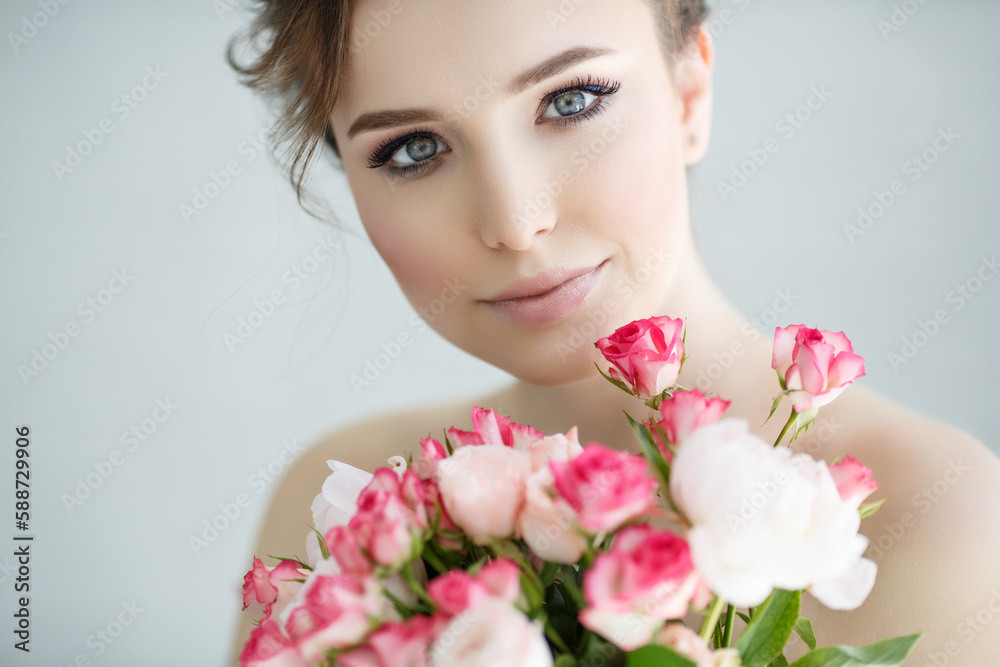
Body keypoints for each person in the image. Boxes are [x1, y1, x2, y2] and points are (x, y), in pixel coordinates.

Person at [228, 0, 1000, 662]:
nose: (516, 221)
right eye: (413, 149)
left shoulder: (937, 515)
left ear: (690, 93)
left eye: (571, 101)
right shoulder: (339, 514)